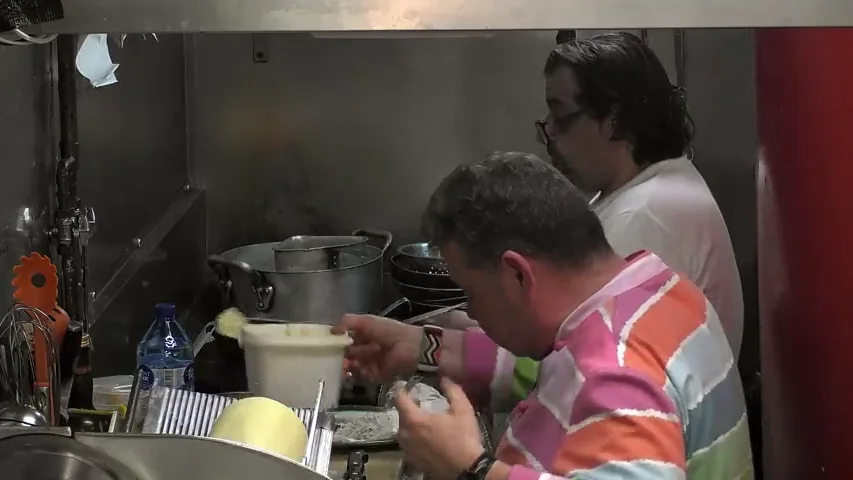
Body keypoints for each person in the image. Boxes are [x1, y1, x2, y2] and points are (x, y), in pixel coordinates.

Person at [340, 152, 753, 480]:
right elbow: (557, 367)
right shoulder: (657, 292)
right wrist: (424, 347)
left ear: (517, 274)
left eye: (472, 293)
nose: (471, 310)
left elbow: (601, 380)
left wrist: (471, 468)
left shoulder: (617, 376)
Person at [536, 32, 744, 359]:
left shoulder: (642, 215)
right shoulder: (656, 183)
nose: (548, 134)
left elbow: (574, 355)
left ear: (613, 121)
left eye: (561, 117)